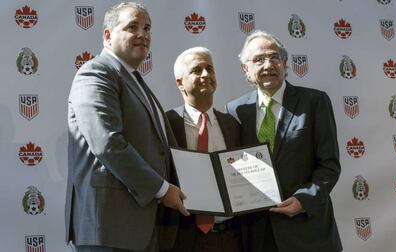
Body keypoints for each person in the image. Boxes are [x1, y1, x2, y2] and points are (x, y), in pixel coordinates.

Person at [65, 2, 189, 252]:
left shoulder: (136, 81)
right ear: (108, 36)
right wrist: (162, 189)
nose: (143, 34)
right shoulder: (96, 73)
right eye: (132, 27)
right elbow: (107, 143)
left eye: (147, 28)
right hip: (110, 228)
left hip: (142, 227)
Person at [225, 30, 342, 252]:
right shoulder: (236, 110)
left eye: (274, 57)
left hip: (308, 233)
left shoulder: (314, 102)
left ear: (284, 63)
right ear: (246, 69)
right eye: (259, 59)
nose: (268, 64)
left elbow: (329, 165)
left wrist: (303, 200)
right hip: (258, 235)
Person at [162, 47, 245, 252]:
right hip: (184, 237)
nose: (206, 75)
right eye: (197, 70)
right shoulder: (165, 124)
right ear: (179, 82)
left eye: (209, 68)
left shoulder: (232, 124)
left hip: (232, 236)